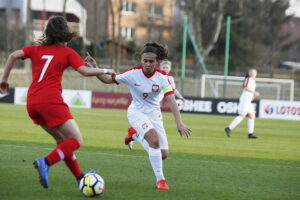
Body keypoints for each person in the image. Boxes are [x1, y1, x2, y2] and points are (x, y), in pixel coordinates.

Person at [0, 16, 115, 189]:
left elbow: (13, 55)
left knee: (63, 142)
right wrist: (106, 69)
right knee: (76, 139)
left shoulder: (36, 49)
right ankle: (45, 162)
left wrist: (4, 80)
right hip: (50, 101)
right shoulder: (67, 52)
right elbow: (84, 71)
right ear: (65, 33)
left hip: (32, 103)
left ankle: (79, 177)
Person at [85, 42, 191, 190]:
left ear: (156, 62)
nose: (147, 64)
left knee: (163, 154)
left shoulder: (163, 78)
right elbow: (108, 79)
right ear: (141, 60)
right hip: (137, 112)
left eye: (151, 61)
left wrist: (179, 123)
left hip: (154, 114)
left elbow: (171, 100)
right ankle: (161, 181)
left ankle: (134, 135)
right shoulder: (132, 74)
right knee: (154, 141)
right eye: (145, 61)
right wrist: (95, 68)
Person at [126, 59, 186, 151]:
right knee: (152, 133)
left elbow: (173, 90)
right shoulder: (156, 75)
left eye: (167, 67)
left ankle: (135, 134)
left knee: (153, 131)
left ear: (170, 68)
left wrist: (180, 97)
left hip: (155, 107)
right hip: (146, 105)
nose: (165, 69)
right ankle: (136, 135)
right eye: (164, 67)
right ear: (159, 66)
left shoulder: (169, 78)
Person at [225, 69, 260, 139]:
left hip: (248, 100)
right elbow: (245, 87)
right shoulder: (248, 79)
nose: (253, 74)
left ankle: (250, 134)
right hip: (245, 100)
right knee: (242, 116)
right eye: (251, 72)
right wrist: (254, 93)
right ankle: (229, 128)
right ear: (249, 73)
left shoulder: (252, 80)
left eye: (254, 72)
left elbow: (248, 90)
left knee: (252, 116)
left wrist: (252, 96)